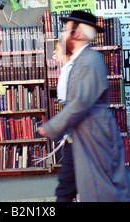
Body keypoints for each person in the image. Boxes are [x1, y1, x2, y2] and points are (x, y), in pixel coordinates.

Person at [38, 10, 130, 202]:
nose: (63, 35)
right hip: (83, 136)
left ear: (76, 34)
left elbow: (80, 103)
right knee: (73, 190)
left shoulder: (90, 61)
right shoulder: (80, 61)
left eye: (66, 30)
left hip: (94, 136)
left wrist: (52, 127)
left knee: (107, 191)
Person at [52, 34, 77, 202]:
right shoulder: (66, 69)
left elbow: (74, 104)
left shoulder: (71, 71)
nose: (54, 53)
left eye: (56, 49)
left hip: (76, 136)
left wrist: (69, 133)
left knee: (65, 188)